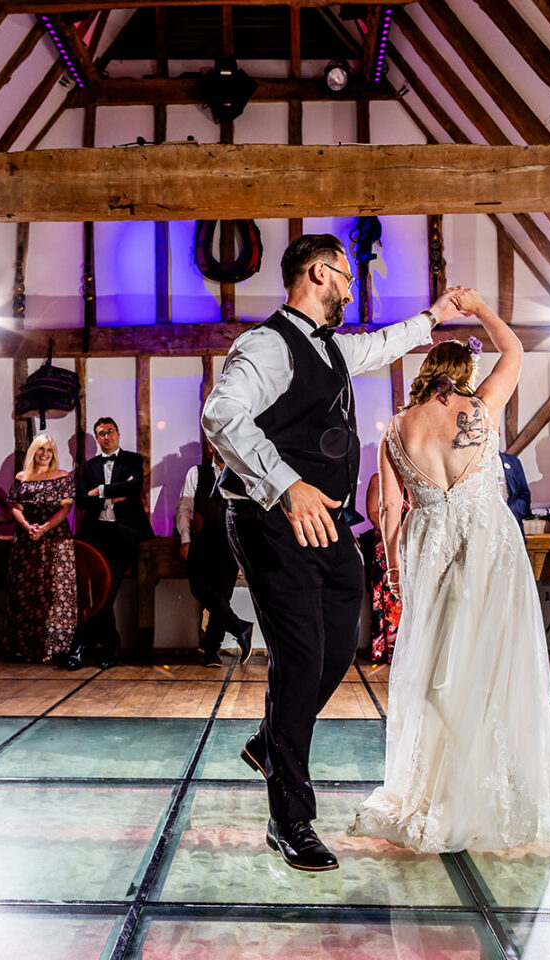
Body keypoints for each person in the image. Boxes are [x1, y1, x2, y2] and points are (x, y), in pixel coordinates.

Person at [202, 232, 467, 871]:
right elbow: (221, 414)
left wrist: (433, 317)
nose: (352, 286)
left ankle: (271, 740)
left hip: (330, 523)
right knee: (298, 661)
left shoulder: (334, 349)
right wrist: (286, 486)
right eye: (346, 276)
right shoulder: (267, 345)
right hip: (272, 520)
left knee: (337, 648)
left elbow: (381, 345)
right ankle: (290, 818)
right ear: (320, 273)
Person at [349, 288, 550, 852]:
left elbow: (389, 509)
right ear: (465, 372)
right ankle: (481, 789)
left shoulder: (396, 429)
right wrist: (482, 310)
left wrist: (394, 569)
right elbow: (514, 351)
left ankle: (432, 789)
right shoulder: (482, 409)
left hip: (430, 544)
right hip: (489, 539)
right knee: (491, 660)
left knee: (435, 661)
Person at [72, 417, 152, 669]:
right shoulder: (90, 466)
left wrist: (101, 491)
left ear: (118, 434)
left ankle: (82, 644)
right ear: (97, 439)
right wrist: (114, 492)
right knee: (98, 593)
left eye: (109, 432)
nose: (106, 437)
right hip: (95, 536)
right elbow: (82, 501)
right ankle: (109, 645)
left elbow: (135, 487)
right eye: (100, 434)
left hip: (123, 536)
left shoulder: (132, 460)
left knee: (107, 591)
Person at [175, 442, 252, 667]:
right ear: (210, 447)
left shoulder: (241, 473)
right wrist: (185, 538)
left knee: (222, 595)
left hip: (230, 544)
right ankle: (240, 627)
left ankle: (211, 651)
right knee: (198, 588)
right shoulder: (196, 472)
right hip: (201, 541)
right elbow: (184, 507)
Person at [6, 434, 76, 663]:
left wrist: (44, 528)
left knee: (55, 594)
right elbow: (15, 507)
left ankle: (55, 648)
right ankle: (26, 649)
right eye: (41, 449)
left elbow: (65, 508)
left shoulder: (62, 476)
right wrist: (28, 527)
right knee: (26, 594)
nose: (45, 454)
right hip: (27, 541)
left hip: (56, 540)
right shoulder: (21, 477)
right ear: (33, 452)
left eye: (49, 450)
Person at [362, 473, 401, 664]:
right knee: (386, 598)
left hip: (413, 545)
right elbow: (373, 513)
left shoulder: (416, 475)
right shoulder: (378, 479)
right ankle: (384, 651)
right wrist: (394, 536)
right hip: (386, 546)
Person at [499, 450, 531, 529]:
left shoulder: (513, 462)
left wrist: (511, 513)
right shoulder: (469, 464)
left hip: (510, 525)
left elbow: (524, 496)